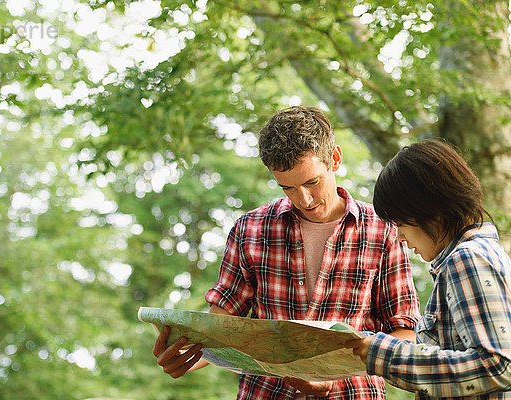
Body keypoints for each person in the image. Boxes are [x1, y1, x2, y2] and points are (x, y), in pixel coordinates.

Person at [153, 106, 421, 399]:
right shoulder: (250, 229)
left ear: (335, 159)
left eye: (312, 182)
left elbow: (404, 331)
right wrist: (187, 355)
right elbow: (223, 325)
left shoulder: (383, 230)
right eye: (288, 188)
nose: (303, 199)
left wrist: (337, 373)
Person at [346, 139, 511, 399]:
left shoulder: (467, 260)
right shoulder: (476, 256)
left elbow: (499, 366)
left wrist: (384, 354)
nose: (399, 236)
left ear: (431, 212)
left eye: (401, 223)